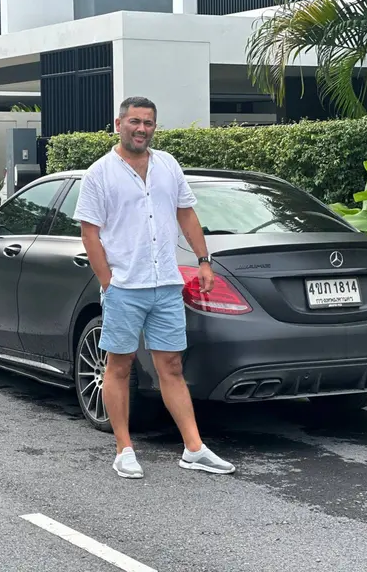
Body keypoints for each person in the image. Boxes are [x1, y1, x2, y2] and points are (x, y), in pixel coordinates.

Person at [74, 96, 235, 479]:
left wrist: (203, 260)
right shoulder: (99, 174)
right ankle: (124, 449)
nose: (142, 129)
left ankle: (194, 448)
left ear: (154, 127)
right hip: (125, 287)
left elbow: (186, 213)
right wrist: (108, 282)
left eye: (148, 123)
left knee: (172, 366)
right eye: (135, 121)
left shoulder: (168, 165)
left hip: (165, 284)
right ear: (119, 124)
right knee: (119, 366)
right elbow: (89, 233)